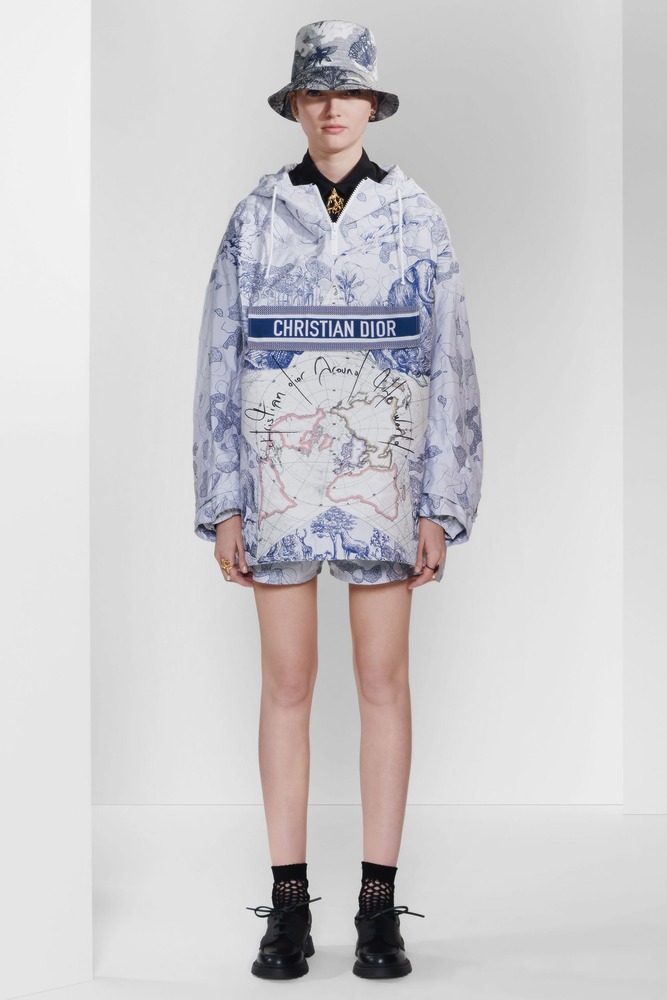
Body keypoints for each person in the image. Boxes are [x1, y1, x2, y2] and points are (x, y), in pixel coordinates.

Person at [192, 19, 483, 980]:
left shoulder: (416, 217)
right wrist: (224, 500)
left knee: (382, 681)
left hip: (382, 479)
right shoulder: (254, 218)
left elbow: (448, 359)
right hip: (276, 476)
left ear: (370, 104)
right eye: (315, 93)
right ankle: (286, 908)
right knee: (286, 683)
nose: (330, 108)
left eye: (346, 91)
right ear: (295, 105)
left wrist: (441, 500)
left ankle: (376, 906)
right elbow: (219, 358)